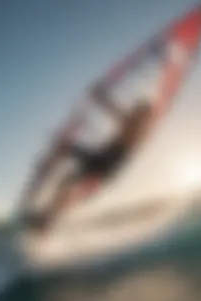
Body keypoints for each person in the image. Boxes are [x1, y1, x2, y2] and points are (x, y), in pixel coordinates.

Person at [20, 82, 153, 233]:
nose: (132, 109)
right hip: (102, 159)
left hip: (104, 162)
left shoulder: (134, 127)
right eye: (135, 108)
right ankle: (46, 221)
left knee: (65, 158)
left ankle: (45, 218)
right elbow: (117, 113)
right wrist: (101, 97)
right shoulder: (133, 125)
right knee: (65, 179)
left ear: (141, 115)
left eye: (137, 109)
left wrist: (101, 97)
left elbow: (116, 112)